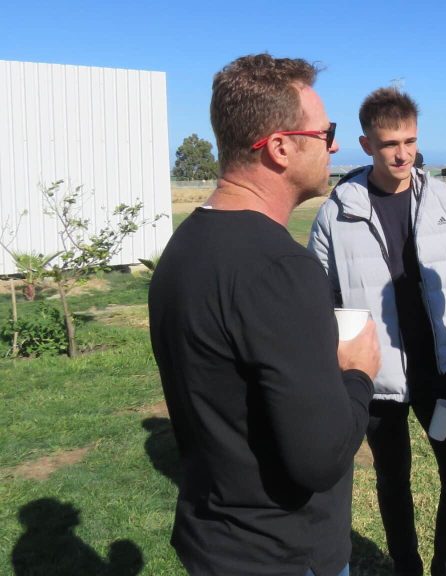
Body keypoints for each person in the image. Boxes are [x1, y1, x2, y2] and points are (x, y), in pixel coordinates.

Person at [149, 54, 381, 576]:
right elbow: (320, 457)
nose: (335, 144)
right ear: (280, 147)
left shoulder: (185, 245)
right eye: (326, 132)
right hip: (282, 553)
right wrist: (358, 372)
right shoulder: (279, 268)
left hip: (214, 542)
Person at [308, 87, 446, 576]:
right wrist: (343, 370)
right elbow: (322, 301)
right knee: (393, 480)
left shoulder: (445, 201)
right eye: (390, 144)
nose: (403, 153)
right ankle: (405, 566)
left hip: (443, 368)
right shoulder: (336, 212)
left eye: (410, 141)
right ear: (367, 145)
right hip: (376, 376)